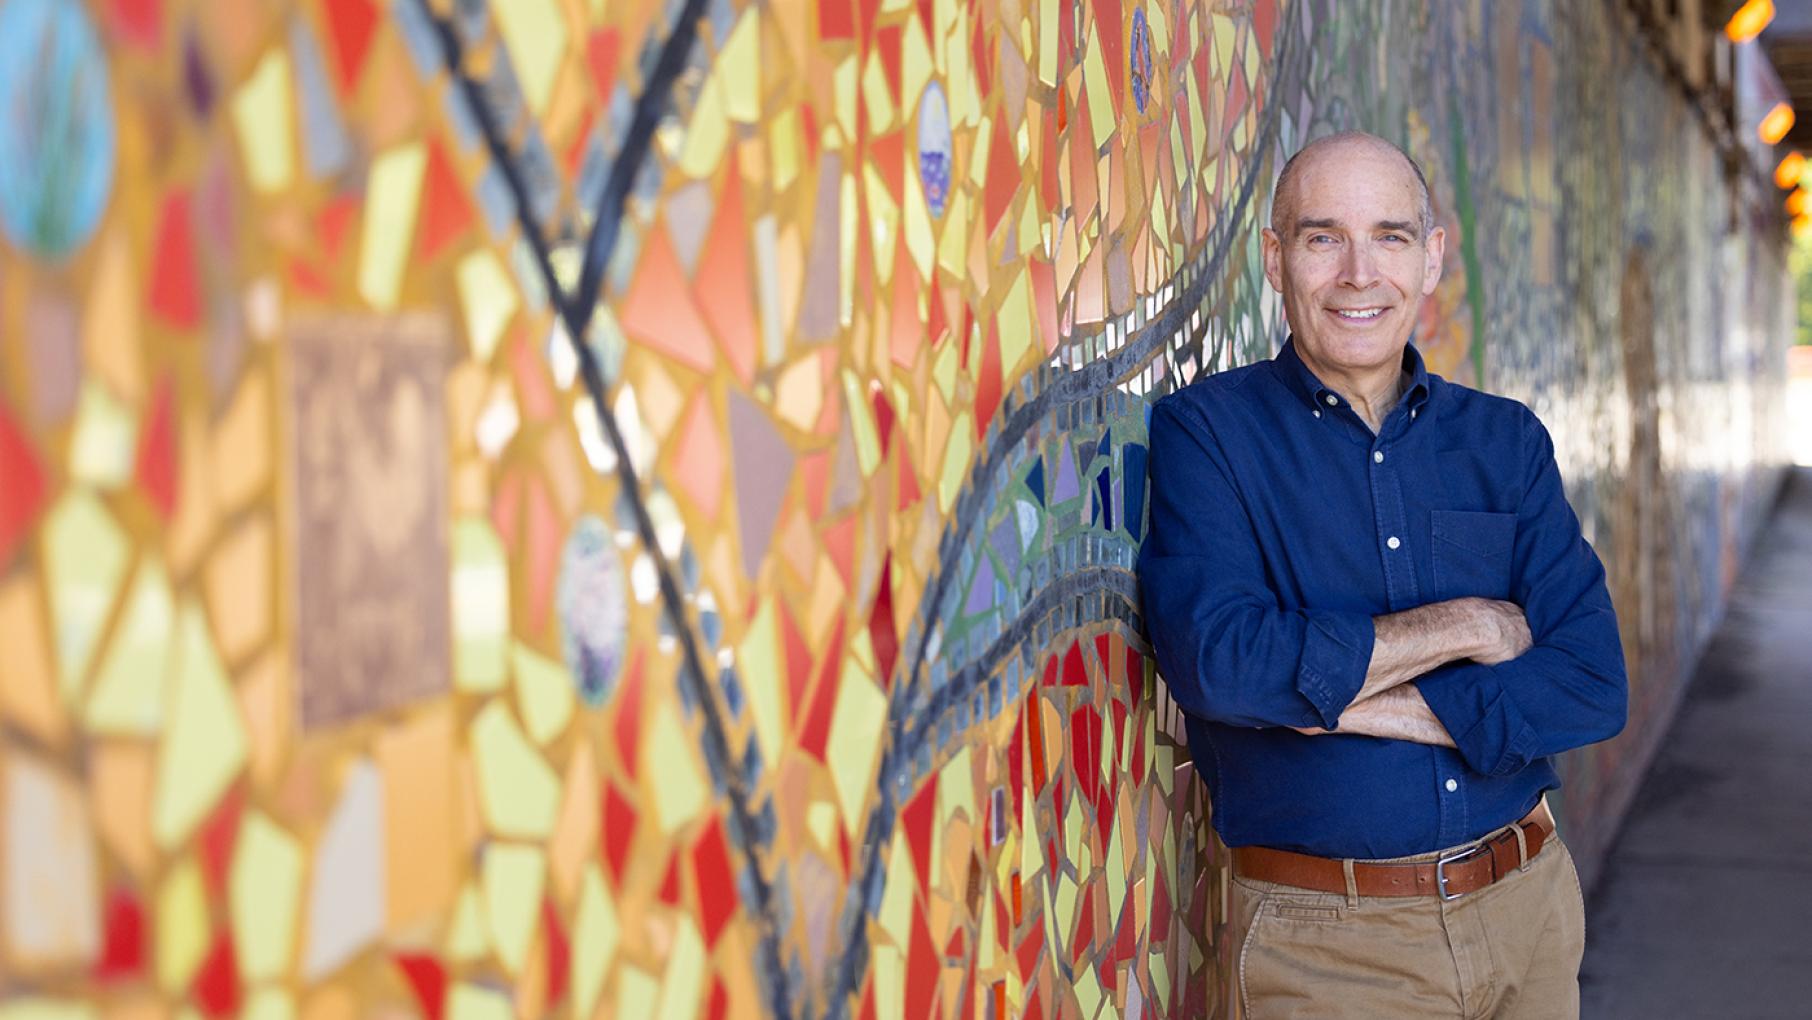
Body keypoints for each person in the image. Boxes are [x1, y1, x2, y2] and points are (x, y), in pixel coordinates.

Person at [1136, 131, 1627, 1018]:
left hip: (1531, 910)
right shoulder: (1208, 435)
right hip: (1331, 944)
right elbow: (1224, 664)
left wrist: (1342, 700)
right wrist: (1471, 626)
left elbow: (1591, 684)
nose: (1359, 273)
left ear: (1431, 257)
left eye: (1391, 237)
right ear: (1276, 258)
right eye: (1324, 238)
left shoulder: (1506, 442)